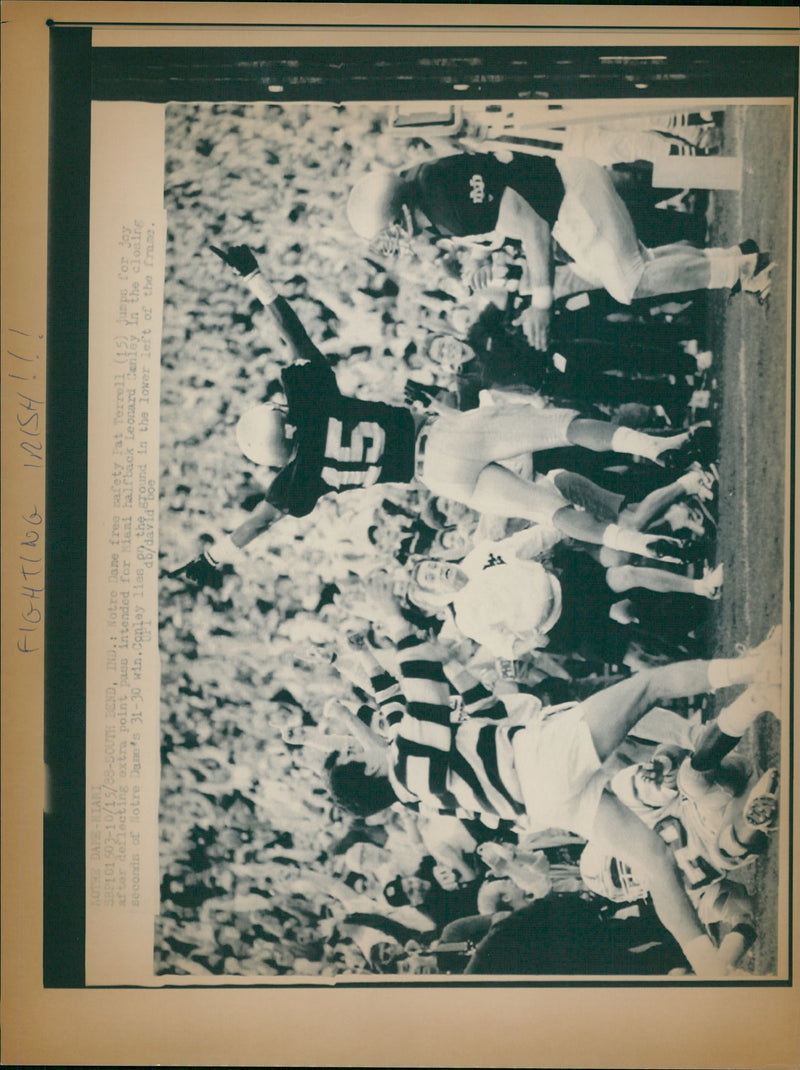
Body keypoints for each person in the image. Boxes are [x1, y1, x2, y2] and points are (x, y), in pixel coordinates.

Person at [323, 578, 781, 976]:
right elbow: (422, 688)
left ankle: (711, 966)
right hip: (536, 761)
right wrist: (393, 620)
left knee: (656, 863)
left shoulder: (408, 787)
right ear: (365, 767)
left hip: (541, 804)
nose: (363, 742)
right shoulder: (409, 761)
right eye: (356, 750)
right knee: (648, 687)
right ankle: (760, 666)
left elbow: (390, 712)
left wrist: (356, 676)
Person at [173, 244, 701, 586]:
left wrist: (213, 558)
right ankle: (656, 446)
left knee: (546, 511)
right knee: (560, 425)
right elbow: (295, 333)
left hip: (436, 479)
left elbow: (259, 522)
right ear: (281, 417)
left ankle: (631, 539)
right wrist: (255, 278)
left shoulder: (298, 477)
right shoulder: (312, 402)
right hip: (441, 436)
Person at [346, 152, 774, 350]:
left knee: (631, 281)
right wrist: (481, 255)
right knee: (627, 272)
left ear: (399, 213)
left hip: (567, 197)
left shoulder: (442, 205)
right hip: (564, 194)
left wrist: (541, 302)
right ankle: (736, 259)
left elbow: (531, 226)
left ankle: (742, 267)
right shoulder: (430, 185)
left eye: (387, 232)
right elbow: (498, 202)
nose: (391, 243)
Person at [578, 680, 781, 973]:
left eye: (618, 867)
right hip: (733, 820)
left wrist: (661, 765)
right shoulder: (672, 895)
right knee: (725, 847)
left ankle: (751, 703)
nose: (629, 872)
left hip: (719, 783)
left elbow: (743, 915)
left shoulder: (636, 815)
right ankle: (757, 815)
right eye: (622, 878)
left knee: (692, 783)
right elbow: (743, 913)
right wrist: (722, 962)